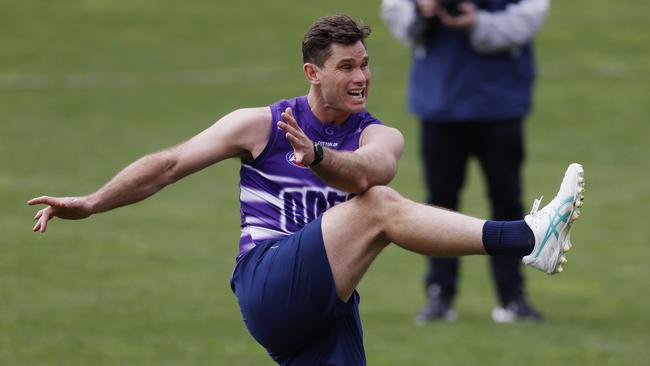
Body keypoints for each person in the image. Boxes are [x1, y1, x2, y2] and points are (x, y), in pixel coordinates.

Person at [28, 14, 583, 366]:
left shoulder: (379, 134)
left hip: (327, 305)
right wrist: (94, 202)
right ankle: (525, 237)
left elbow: (367, 173)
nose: (361, 76)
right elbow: (170, 164)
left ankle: (529, 241)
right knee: (378, 211)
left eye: (365, 64)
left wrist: (317, 157)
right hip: (266, 278)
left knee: (373, 203)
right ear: (312, 73)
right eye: (346, 67)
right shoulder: (261, 125)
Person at [381, 0, 552, 323]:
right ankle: (439, 294)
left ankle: (512, 294)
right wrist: (421, 11)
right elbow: (395, 11)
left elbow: (531, 15)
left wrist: (477, 23)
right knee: (438, 204)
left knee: (507, 201)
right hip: (441, 102)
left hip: (500, 103)